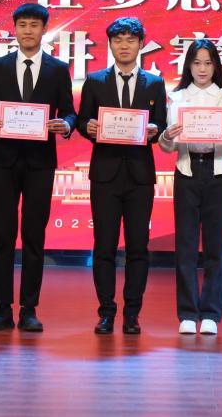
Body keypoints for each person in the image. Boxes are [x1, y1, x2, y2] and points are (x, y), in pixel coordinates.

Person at [0, 3, 77, 333]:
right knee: (3, 235)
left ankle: (29, 309)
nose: (28, 31)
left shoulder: (57, 69)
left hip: (40, 163)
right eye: (22, 25)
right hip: (4, 162)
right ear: (15, 29)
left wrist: (65, 124)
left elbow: (69, 111)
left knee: (34, 236)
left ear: (44, 29)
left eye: (34, 25)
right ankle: (1, 308)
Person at [76, 17, 168, 336]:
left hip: (140, 176)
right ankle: (106, 312)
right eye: (118, 40)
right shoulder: (95, 81)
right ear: (110, 44)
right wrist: (87, 127)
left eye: (130, 39)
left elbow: (162, 123)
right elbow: (83, 120)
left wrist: (155, 130)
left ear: (141, 44)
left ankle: (132, 313)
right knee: (104, 246)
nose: (124, 45)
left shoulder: (154, 83)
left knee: (138, 247)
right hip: (105, 174)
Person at [159, 38, 222, 336]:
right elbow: (167, 146)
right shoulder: (177, 97)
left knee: (216, 248)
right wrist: (167, 135)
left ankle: (210, 314)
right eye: (197, 63)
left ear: (216, 66)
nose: (202, 69)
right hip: (187, 170)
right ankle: (187, 313)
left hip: (217, 172)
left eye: (208, 63)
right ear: (188, 66)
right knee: (186, 247)